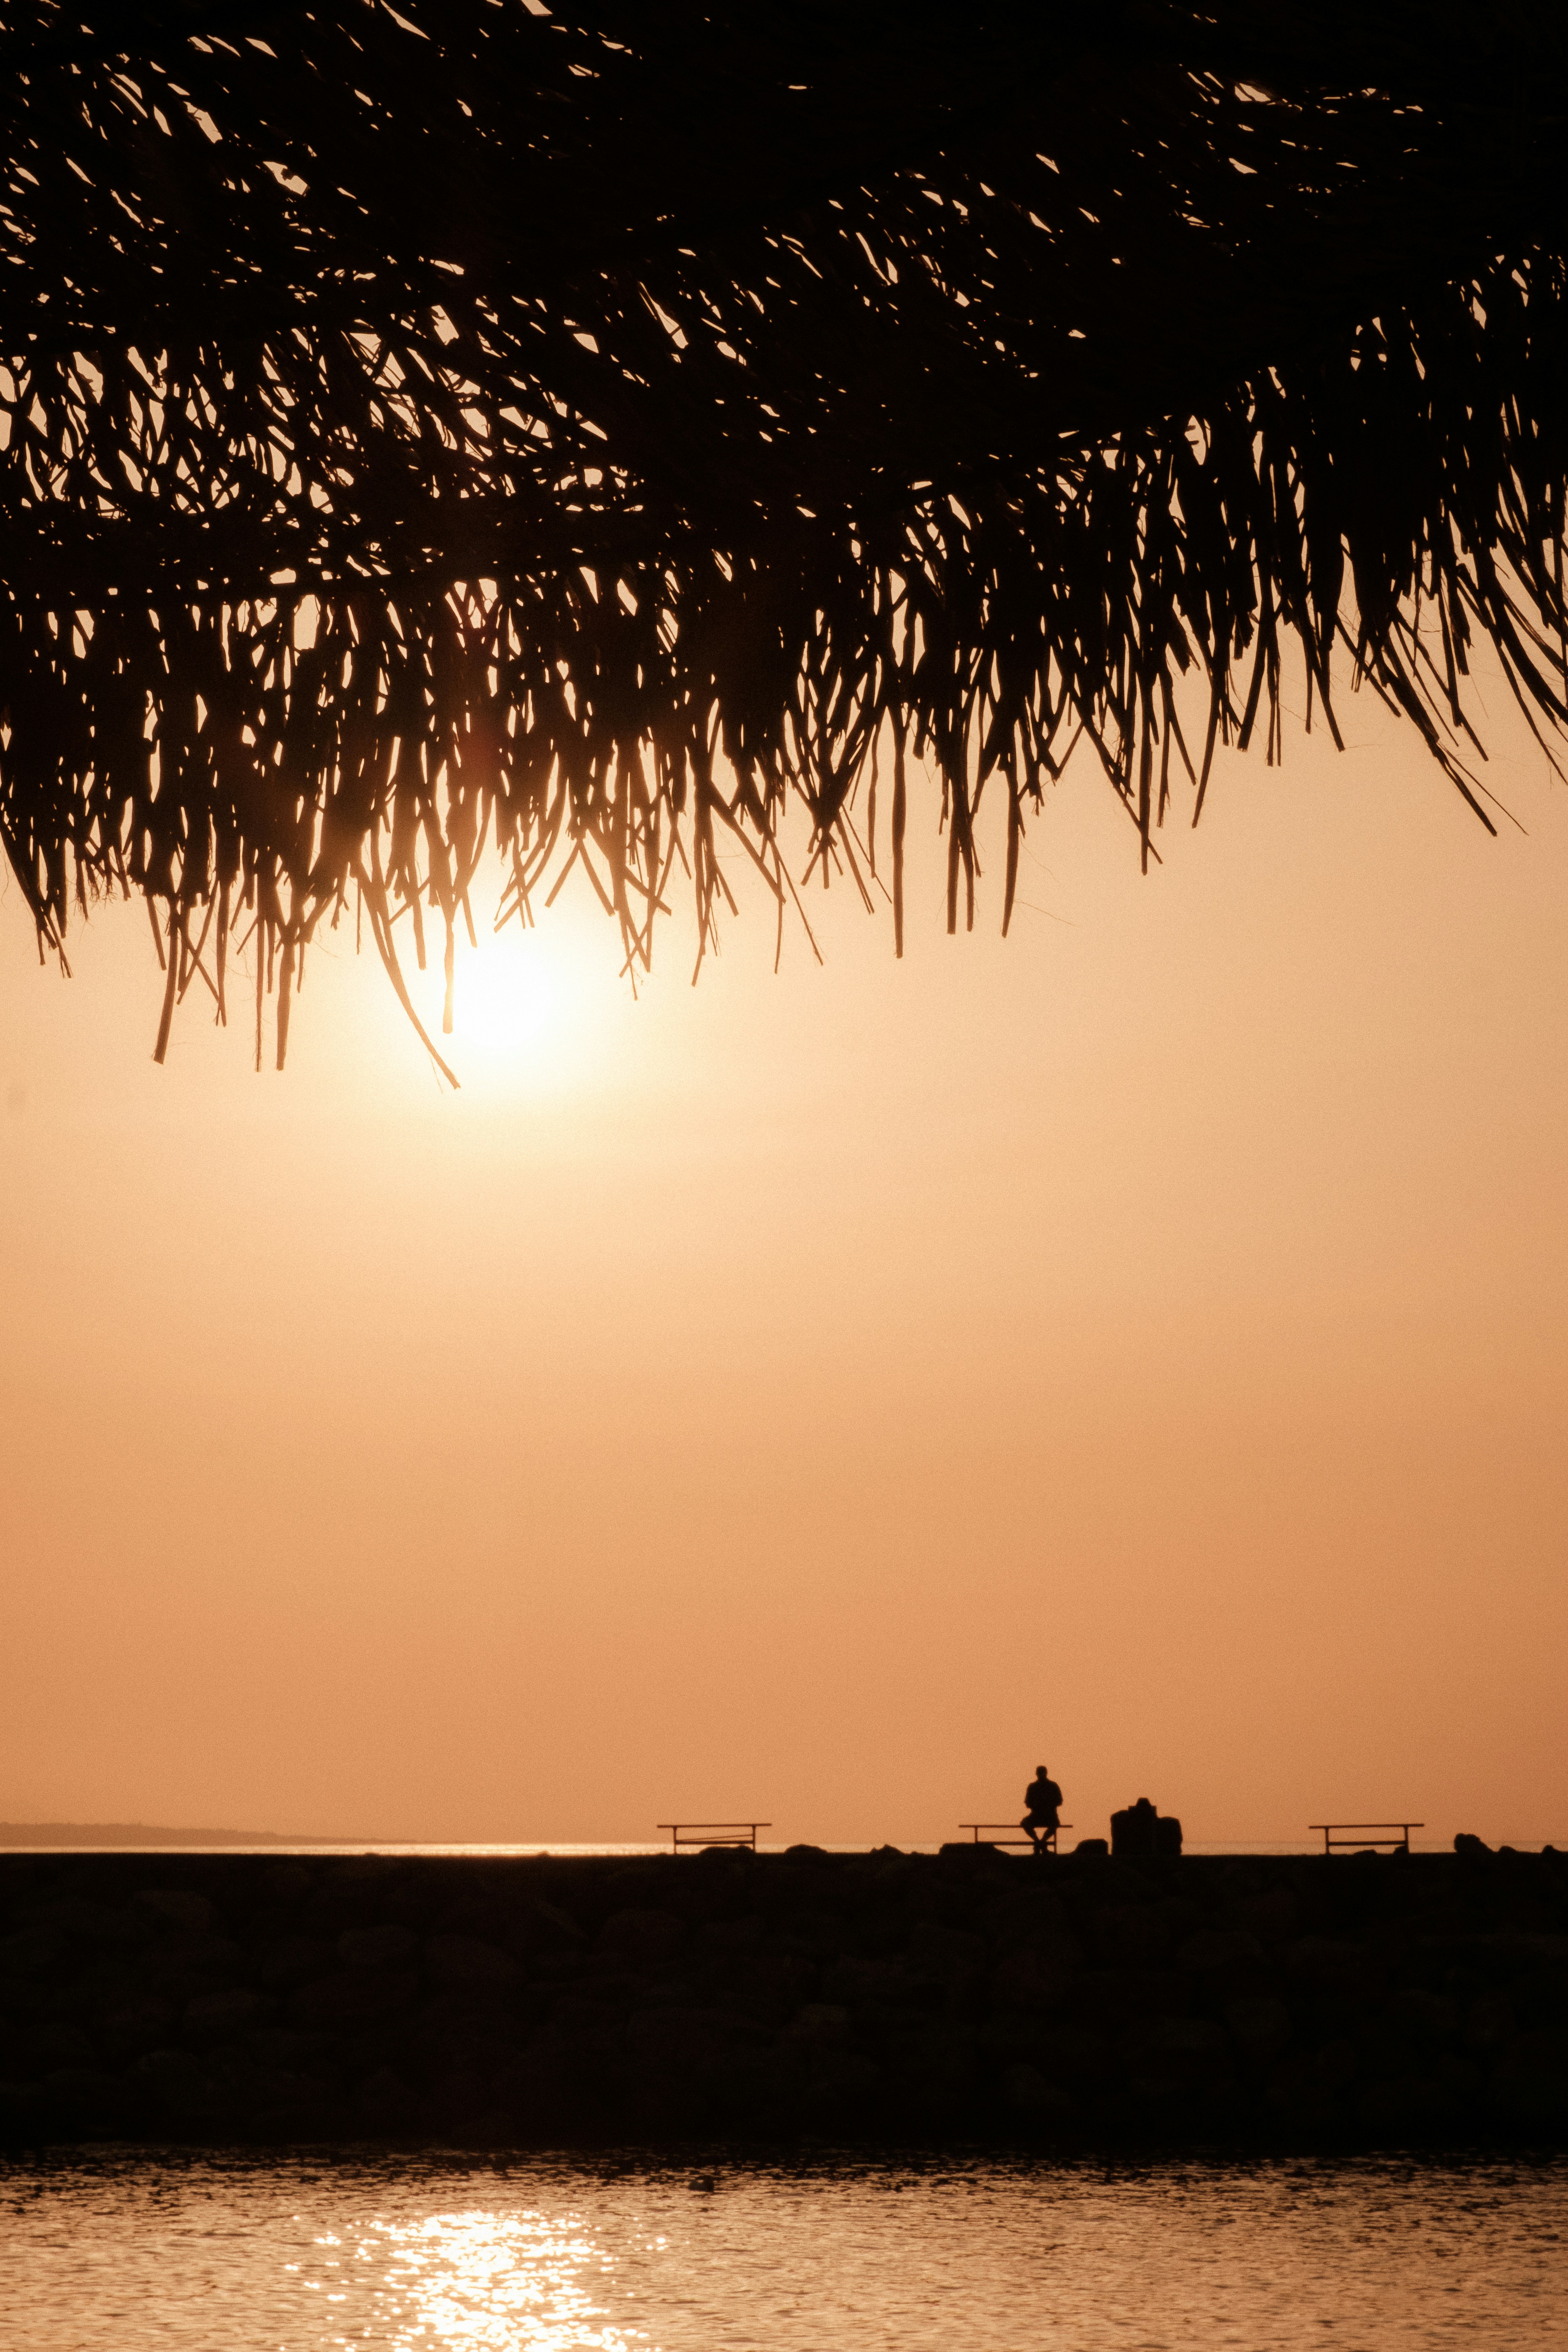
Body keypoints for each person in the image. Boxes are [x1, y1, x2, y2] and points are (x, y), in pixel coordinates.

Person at [1021, 1763, 1063, 1854]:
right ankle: (1040, 1843)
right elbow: (1028, 1802)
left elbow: (1060, 1801)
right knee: (1025, 1823)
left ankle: (1039, 1844)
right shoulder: (1033, 1787)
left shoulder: (1053, 1786)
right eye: (1040, 1773)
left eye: (1042, 1773)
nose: (1041, 1775)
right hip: (1036, 1816)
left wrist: (1047, 1806)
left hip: (1049, 1816)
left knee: (1055, 1823)